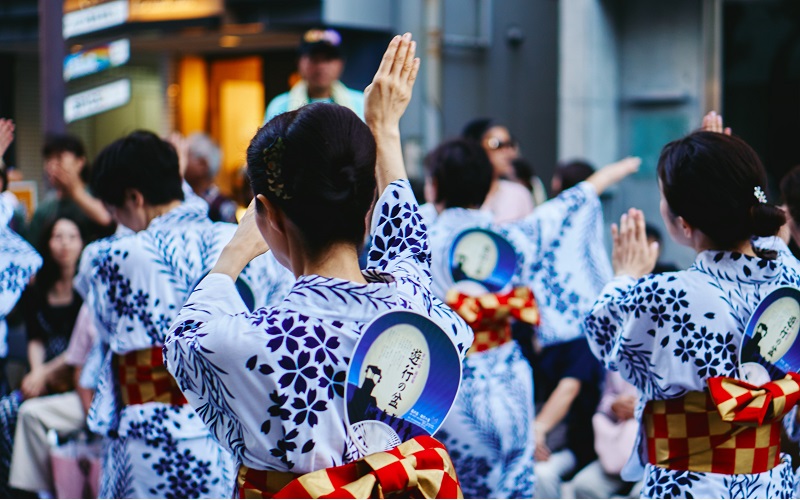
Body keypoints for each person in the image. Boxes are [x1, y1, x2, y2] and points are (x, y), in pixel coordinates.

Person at [164, 34, 471, 498]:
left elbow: (184, 339)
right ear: (367, 203)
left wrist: (234, 254)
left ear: (269, 216)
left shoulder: (255, 339)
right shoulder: (411, 302)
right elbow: (406, 240)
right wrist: (384, 128)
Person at [584, 111, 800, 497]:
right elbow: (768, 243)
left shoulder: (667, 293)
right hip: (770, 483)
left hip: (694, 485)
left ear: (682, 223)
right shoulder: (787, 276)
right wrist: (721, 167)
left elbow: (602, 331)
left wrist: (625, 275)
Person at [81, 130, 293, 498]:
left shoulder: (107, 258)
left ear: (134, 197)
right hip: (232, 434)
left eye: (115, 210)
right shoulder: (244, 239)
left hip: (147, 439)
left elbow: (104, 333)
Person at [421, 138, 637, 498]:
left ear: (435, 184)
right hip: (509, 377)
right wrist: (610, 174)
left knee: (453, 481)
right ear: (490, 187)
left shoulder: (418, 242)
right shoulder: (509, 238)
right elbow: (566, 207)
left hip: (448, 382)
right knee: (515, 483)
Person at [8, 303, 97, 496]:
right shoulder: (91, 306)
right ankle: (43, 492)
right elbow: (79, 371)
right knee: (24, 412)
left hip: (126, 405)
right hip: (87, 399)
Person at [263, 28, 364, 124]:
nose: (321, 66)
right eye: (314, 59)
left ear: (341, 64)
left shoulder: (361, 103)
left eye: (328, 59)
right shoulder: (279, 107)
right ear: (299, 63)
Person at [27, 134, 113, 246]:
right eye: (48, 159)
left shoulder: (99, 194)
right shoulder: (44, 210)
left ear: (80, 162)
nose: (52, 166)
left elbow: (107, 219)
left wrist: (73, 190)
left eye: (59, 158)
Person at [567, 371, 642, 499]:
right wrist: (615, 406)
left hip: (659, 455)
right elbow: (606, 398)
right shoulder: (616, 357)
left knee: (643, 493)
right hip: (619, 451)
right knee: (584, 485)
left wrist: (645, 409)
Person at [461, 118, 535, 223]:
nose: (508, 152)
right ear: (475, 147)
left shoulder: (518, 195)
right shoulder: (459, 196)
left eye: (510, 144)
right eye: (497, 144)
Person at [184, 133, 238, 223]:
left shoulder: (223, 206)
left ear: (202, 164)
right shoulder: (185, 199)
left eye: (186, 156)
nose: (181, 162)